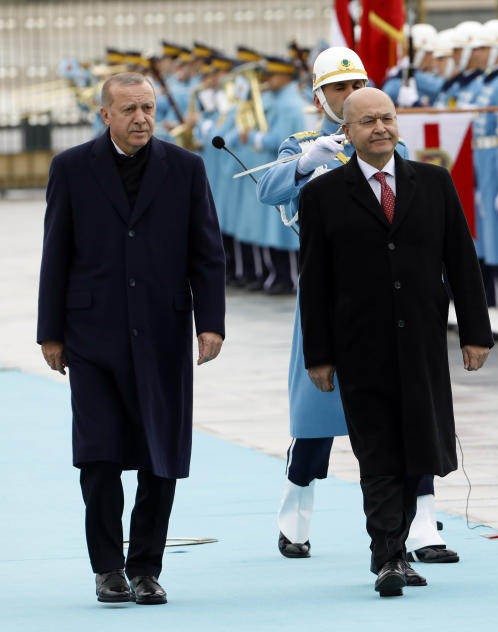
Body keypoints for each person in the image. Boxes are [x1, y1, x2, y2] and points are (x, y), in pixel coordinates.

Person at [258, 47, 458, 565]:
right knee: (316, 416)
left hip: (391, 298)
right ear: (320, 98)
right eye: (338, 90)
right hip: (332, 295)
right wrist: (306, 164)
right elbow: (268, 189)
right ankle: (295, 516)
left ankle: (423, 527)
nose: (349, 97)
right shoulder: (303, 145)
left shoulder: (389, 141)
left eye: (356, 85)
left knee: (410, 414)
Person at [36, 72, 226, 605]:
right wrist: (50, 332)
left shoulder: (185, 168)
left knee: (156, 455)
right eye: (129, 110)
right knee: (98, 457)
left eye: (148, 107)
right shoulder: (71, 168)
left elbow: (206, 252)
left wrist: (210, 322)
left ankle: (145, 567)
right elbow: (57, 253)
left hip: (163, 334)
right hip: (91, 336)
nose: (142, 118)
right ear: (105, 115)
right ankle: (107, 568)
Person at [297, 87, 493, 597]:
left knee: (419, 449)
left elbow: (461, 262)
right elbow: (314, 280)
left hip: (423, 342)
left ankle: (398, 547)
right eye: (367, 122)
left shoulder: (432, 182)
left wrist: (476, 333)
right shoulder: (322, 195)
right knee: (378, 452)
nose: (380, 128)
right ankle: (386, 556)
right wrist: (317, 355)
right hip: (361, 346)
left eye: (386, 118)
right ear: (346, 132)